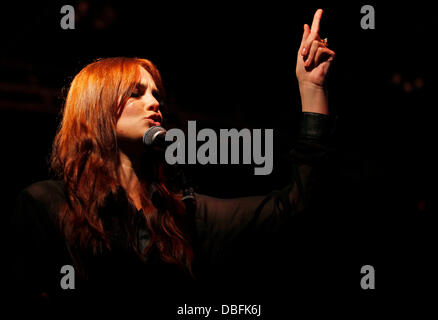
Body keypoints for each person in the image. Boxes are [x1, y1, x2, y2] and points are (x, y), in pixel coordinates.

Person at [10, 9, 335, 313]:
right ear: (97, 108)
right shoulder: (47, 203)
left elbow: (298, 206)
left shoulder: (184, 215)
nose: (155, 104)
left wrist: (312, 90)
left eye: (156, 95)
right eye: (136, 93)